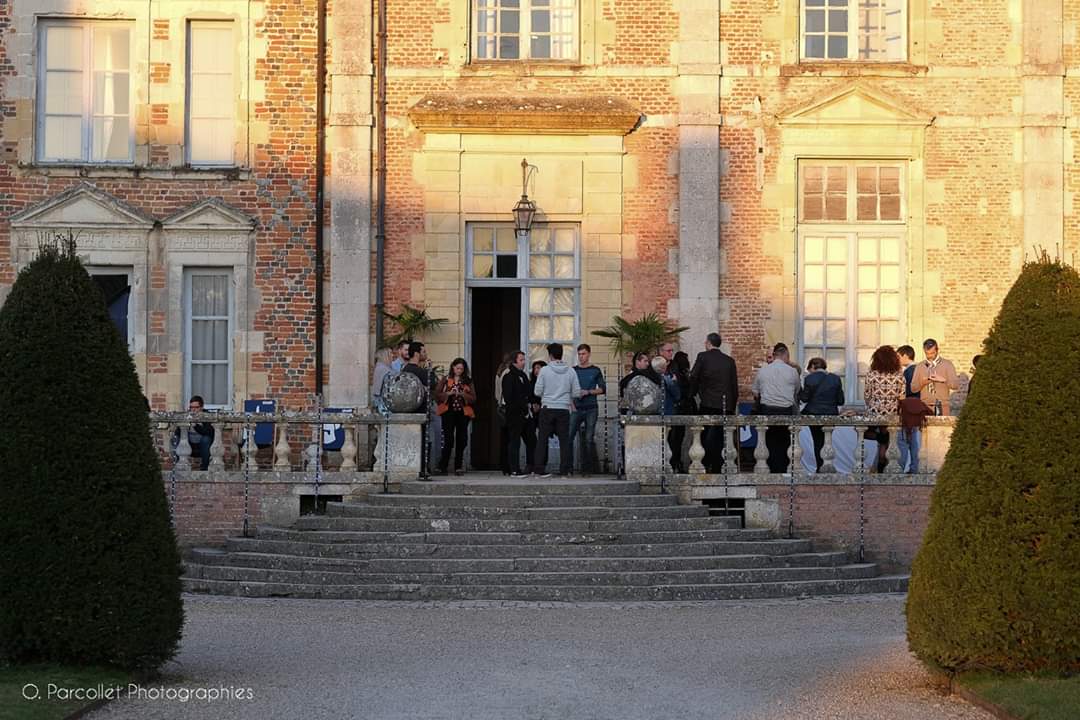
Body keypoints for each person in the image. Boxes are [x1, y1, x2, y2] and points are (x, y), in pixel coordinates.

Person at [689, 333, 739, 473]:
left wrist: (691, 394)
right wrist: (732, 406)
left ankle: (706, 464)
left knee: (704, 435)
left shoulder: (703, 357)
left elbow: (694, 376)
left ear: (708, 343)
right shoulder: (729, 361)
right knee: (722, 437)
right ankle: (719, 465)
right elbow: (734, 385)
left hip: (708, 402)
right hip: (726, 404)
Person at [533, 343, 582, 478]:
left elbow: (537, 391)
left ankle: (539, 469)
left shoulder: (544, 371)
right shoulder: (571, 371)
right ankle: (564, 470)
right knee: (564, 441)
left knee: (542, 440)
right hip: (563, 409)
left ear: (550, 355)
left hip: (547, 408)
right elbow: (577, 392)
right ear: (561, 354)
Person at [751, 343, 801, 473]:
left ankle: (771, 468)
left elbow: (755, 392)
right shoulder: (792, 371)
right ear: (785, 355)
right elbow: (796, 391)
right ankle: (783, 469)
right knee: (784, 441)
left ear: (774, 355)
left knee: (769, 441)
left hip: (767, 409)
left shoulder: (763, 370)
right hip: (786, 409)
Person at [864, 345, 906, 471]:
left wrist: (874, 405)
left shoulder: (871, 375)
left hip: (875, 412)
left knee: (866, 434)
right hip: (892, 413)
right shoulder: (899, 376)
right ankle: (883, 466)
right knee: (886, 440)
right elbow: (902, 397)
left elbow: (867, 395)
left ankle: (880, 465)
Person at [799, 357, 844, 471]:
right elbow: (840, 401)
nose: (809, 372)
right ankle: (827, 465)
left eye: (809, 369)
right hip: (831, 415)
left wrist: (799, 390)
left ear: (813, 366)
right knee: (827, 441)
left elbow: (804, 399)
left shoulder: (809, 379)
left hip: (814, 414)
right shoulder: (835, 379)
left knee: (817, 442)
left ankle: (820, 468)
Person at [434, 358, 477, 475]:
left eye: (462, 369)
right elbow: (437, 395)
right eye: (457, 368)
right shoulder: (446, 379)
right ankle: (443, 466)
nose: (459, 371)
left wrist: (463, 394)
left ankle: (458, 466)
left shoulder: (468, 381)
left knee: (462, 439)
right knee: (448, 439)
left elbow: (473, 398)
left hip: (462, 413)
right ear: (453, 367)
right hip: (448, 412)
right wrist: (448, 394)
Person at [569, 344, 606, 476]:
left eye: (583, 354)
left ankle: (587, 469)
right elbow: (568, 388)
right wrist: (571, 403)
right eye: (579, 354)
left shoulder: (595, 370)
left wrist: (588, 392)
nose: (581, 357)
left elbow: (603, 389)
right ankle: (568, 468)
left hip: (591, 408)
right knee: (569, 437)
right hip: (576, 408)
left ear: (589, 354)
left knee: (589, 439)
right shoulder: (573, 370)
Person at [502, 351, 534, 477]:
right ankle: (514, 469)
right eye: (521, 360)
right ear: (514, 361)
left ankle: (531, 466)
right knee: (514, 442)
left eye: (524, 360)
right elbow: (509, 397)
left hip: (526, 414)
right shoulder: (509, 376)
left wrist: (531, 403)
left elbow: (529, 392)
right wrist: (522, 405)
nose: (524, 362)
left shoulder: (523, 375)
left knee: (532, 441)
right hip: (515, 415)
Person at [910, 338, 959, 415]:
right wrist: (922, 383)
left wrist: (944, 380)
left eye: (932, 353)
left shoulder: (947, 364)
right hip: (925, 406)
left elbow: (955, 386)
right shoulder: (919, 366)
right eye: (927, 353)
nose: (929, 356)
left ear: (937, 350)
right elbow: (913, 389)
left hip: (942, 406)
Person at [171, 395, 215, 471]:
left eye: (196, 407)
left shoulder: (207, 416)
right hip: (189, 445)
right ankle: (180, 465)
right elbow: (177, 433)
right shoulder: (187, 415)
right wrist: (184, 425)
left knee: (206, 439)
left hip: (202, 446)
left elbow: (209, 433)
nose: (193, 410)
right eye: (191, 407)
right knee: (176, 438)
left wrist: (195, 425)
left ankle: (204, 468)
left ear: (201, 407)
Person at [896, 345, 922, 473]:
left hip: (909, 408)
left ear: (905, 356)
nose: (898, 359)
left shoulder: (909, 371)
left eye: (899, 356)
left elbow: (906, 392)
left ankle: (904, 467)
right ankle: (914, 467)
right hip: (916, 407)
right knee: (912, 439)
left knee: (905, 439)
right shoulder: (918, 369)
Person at [668, 350, 695, 473]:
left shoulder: (679, 372)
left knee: (676, 438)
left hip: (679, 408)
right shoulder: (682, 374)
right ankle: (675, 463)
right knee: (676, 438)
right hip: (680, 408)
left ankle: (676, 463)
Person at [494, 352, 513, 475]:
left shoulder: (499, 372)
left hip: (501, 406)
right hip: (508, 407)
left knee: (504, 437)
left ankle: (504, 465)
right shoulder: (508, 373)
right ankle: (509, 466)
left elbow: (497, 393)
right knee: (510, 438)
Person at [527, 360, 546, 472]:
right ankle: (530, 463)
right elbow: (529, 395)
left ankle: (542, 465)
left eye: (539, 368)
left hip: (544, 412)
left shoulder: (548, 381)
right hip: (532, 413)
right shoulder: (531, 382)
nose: (536, 370)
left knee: (543, 439)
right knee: (531, 439)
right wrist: (533, 403)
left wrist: (541, 405)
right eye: (535, 368)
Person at [371, 347, 394, 413]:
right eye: (390, 353)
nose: (393, 355)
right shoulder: (383, 368)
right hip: (384, 405)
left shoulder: (381, 367)